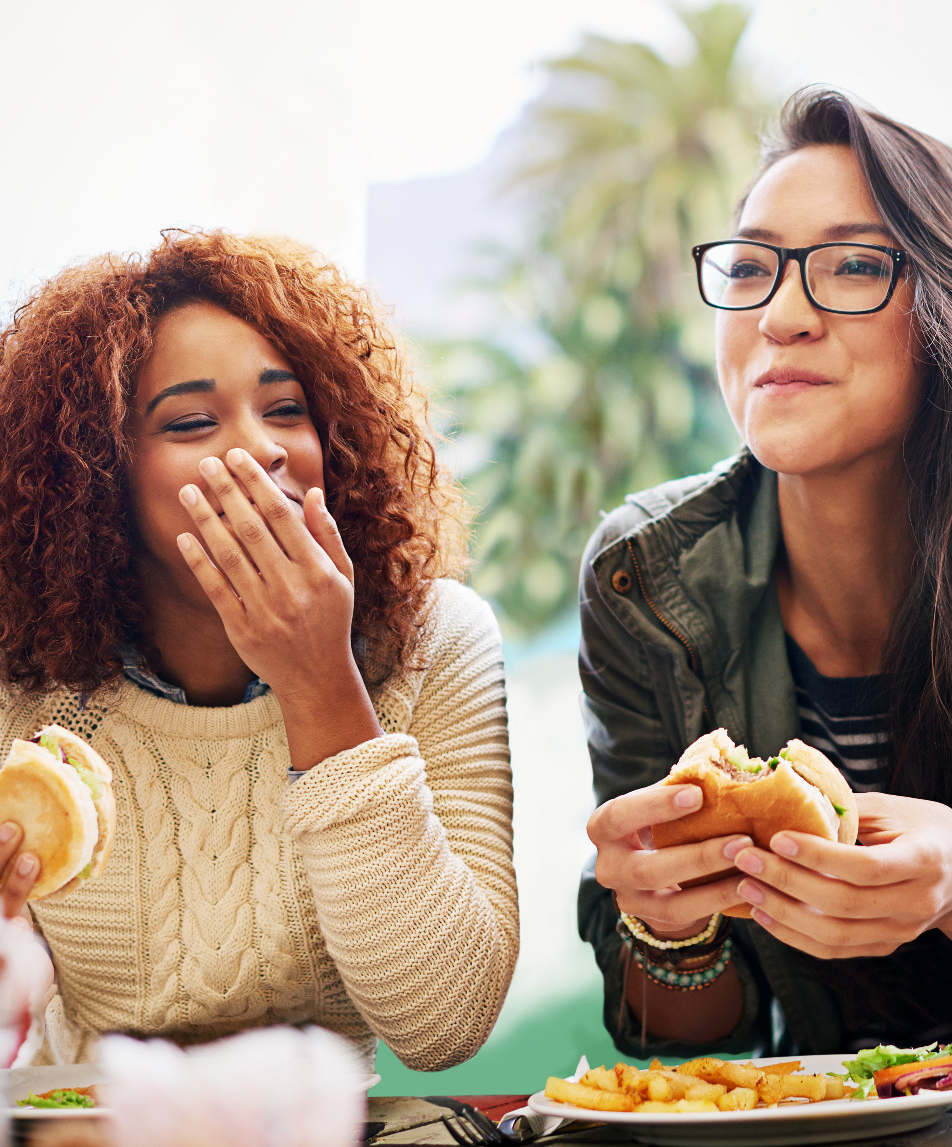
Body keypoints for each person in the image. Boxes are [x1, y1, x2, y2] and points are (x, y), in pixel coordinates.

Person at [0, 229, 518, 1069]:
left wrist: (322, 685)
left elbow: (443, 1025)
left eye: (286, 410)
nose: (263, 448)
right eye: (194, 421)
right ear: (96, 476)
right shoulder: (20, 681)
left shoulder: (437, 641)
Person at [579, 87, 952, 1059]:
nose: (780, 314)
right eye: (749, 267)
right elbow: (683, 1036)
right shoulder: (642, 581)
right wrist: (669, 926)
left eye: (852, 265)